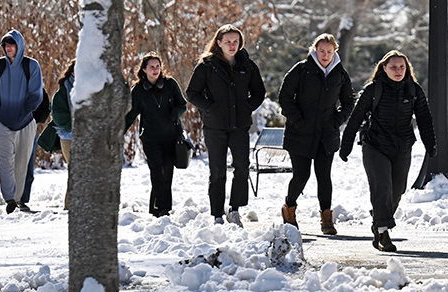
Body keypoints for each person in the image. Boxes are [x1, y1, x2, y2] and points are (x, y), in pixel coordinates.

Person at [339, 51, 436, 252]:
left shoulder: (413, 90)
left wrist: (430, 144)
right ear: (384, 68)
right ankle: (383, 232)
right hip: (375, 145)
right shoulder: (374, 89)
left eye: (402, 67)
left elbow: (425, 119)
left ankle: (378, 220)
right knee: (382, 187)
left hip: (402, 146)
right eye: (393, 67)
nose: (398, 71)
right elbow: (356, 117)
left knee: (397, 190)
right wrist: (346, 144)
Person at [185, 24, 266, 226]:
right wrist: (210, 108)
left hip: (240, 126)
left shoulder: (248, 66)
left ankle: (235, 210)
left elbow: (259, 92)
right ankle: (217, 214)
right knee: (218, 170)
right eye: (228, 41)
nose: (232, 45)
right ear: (218, 43)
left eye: (235, 41)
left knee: (242, 167)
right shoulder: (206, 66)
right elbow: (192, 93)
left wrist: (247, 107)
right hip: (215, 126)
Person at [277, 33, 353, 234]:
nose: (325, 55)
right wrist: (298, 121)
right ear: (314, 50)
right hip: (300, 133)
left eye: (329, 52)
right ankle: (289, 208)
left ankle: (327, 219)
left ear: (334, 51)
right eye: (322, 51)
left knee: (324, 176)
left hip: (326, 134)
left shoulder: (340, 74)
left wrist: (336, 121)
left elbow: (348, 102)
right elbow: (285, 97)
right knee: (301, 176)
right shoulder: (302, 70)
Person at [0, 29, 44, 213]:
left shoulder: (31, 66)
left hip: (26, 122)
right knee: (5, 162)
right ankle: (10, 198)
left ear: (19, 46)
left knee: (22, 164)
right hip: (2, 122)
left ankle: (18, 199)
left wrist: (24, 113)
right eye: (6, 45)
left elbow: (36, 95)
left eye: (12, 44)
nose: (9, 48)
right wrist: (1, 111)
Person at [125, 52, 188, 217]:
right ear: (144, 70)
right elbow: (131, 114)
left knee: (166, 173)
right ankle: (164, 210)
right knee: (157, 172)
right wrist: (119, 132)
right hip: (150, 137)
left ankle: (155, 208)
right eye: (151, 67)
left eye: (158, 66)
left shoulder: (170, 84)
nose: (155, 70)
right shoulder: (138, 90)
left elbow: (182, 104)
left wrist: (174, 115)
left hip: (171, 136)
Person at [49, 61, 75, 210]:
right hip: (69, 136)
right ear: (72, 73)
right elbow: (59, 116)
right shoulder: (62, 93)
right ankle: (70, 206)